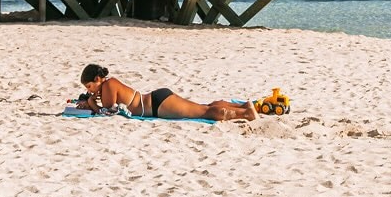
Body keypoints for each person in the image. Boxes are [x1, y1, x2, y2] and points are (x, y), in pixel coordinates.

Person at [77, 64, 257, 121]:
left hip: (156, 105)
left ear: (97, 80)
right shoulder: (109, 85)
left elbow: (109, 111)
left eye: (89, 87)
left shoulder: (108, 85)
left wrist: (92, 104)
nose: (90, 91)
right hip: (156, 100)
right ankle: (242, 106)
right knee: (203, 107)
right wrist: (93, 101)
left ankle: (246, 113)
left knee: (205, 112)